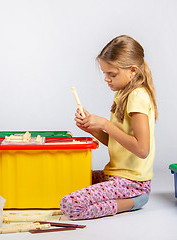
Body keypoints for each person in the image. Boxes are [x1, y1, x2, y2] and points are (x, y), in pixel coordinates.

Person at [60, 35, 158, 220]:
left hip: (132, 182)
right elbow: (118, 143)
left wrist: (105, 124)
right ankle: (129, 198)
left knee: (70, 205)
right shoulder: (123, 93)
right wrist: (92, 129)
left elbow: (142, 150)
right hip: (115, 174)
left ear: (133, 71)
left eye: (111, 74)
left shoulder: (137, 95)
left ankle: (135, 201)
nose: (106, 79)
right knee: (68, 179)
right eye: (105, 73)